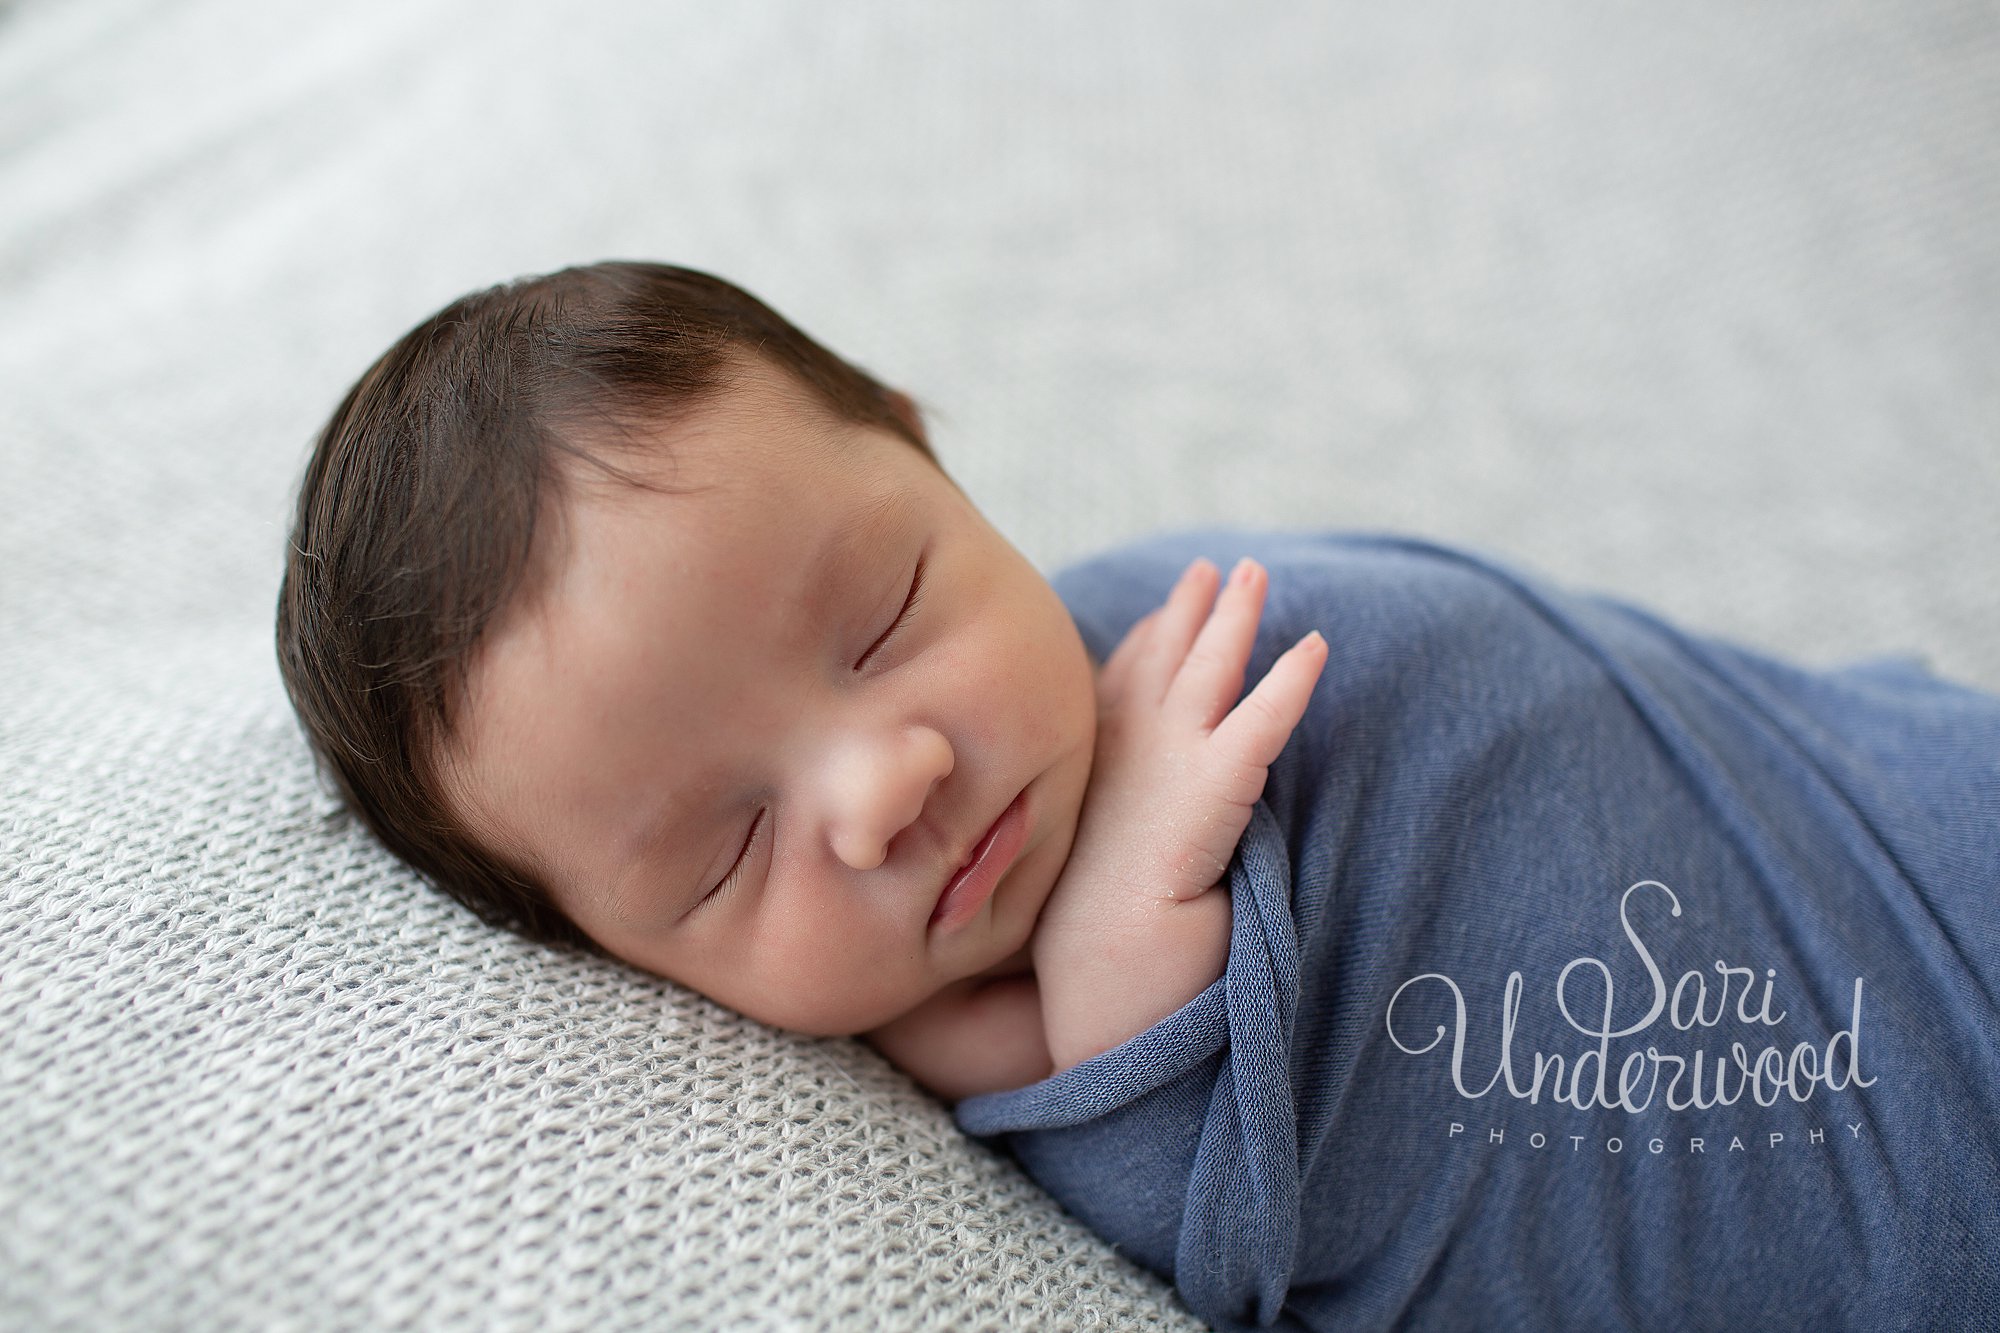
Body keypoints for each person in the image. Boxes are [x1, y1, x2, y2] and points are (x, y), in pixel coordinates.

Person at [279, 261, 2000, 1330]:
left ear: (917, 438)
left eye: (885, 616)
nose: (888, 783)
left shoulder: (1151, 619)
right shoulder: (947, 1050)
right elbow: (1239, 1238)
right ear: (616, 958)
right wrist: (1118, 1005)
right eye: (728, 849)